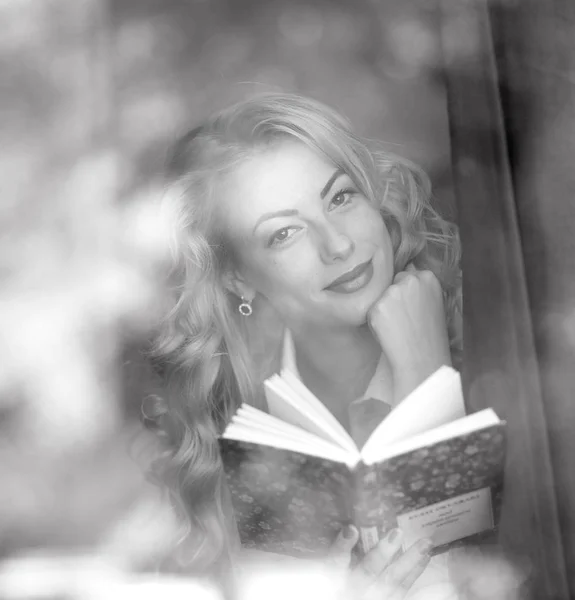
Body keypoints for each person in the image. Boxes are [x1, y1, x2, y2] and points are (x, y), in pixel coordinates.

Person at [145, 92, 462, 598]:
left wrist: (429, 377)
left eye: (340, 198)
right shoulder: (257, 442)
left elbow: (485, 571)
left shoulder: (495, 346)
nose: (337, 245)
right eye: (284, 233)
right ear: (238, 279)